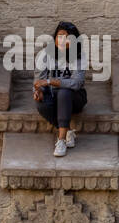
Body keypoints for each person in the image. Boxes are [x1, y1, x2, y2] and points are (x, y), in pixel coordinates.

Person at [33, 21, 87, 157]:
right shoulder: (45, 54)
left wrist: (52, 81)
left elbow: (76, 83)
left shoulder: (79, 56)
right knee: (41, 104)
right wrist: (38, 91)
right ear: (55, 37)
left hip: (75, 98)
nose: (63, 40)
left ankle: (62, 139)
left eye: (68, 37)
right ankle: (68, 131)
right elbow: (39, 80)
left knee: (64, 92)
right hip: (53, 97)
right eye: (60, 35)